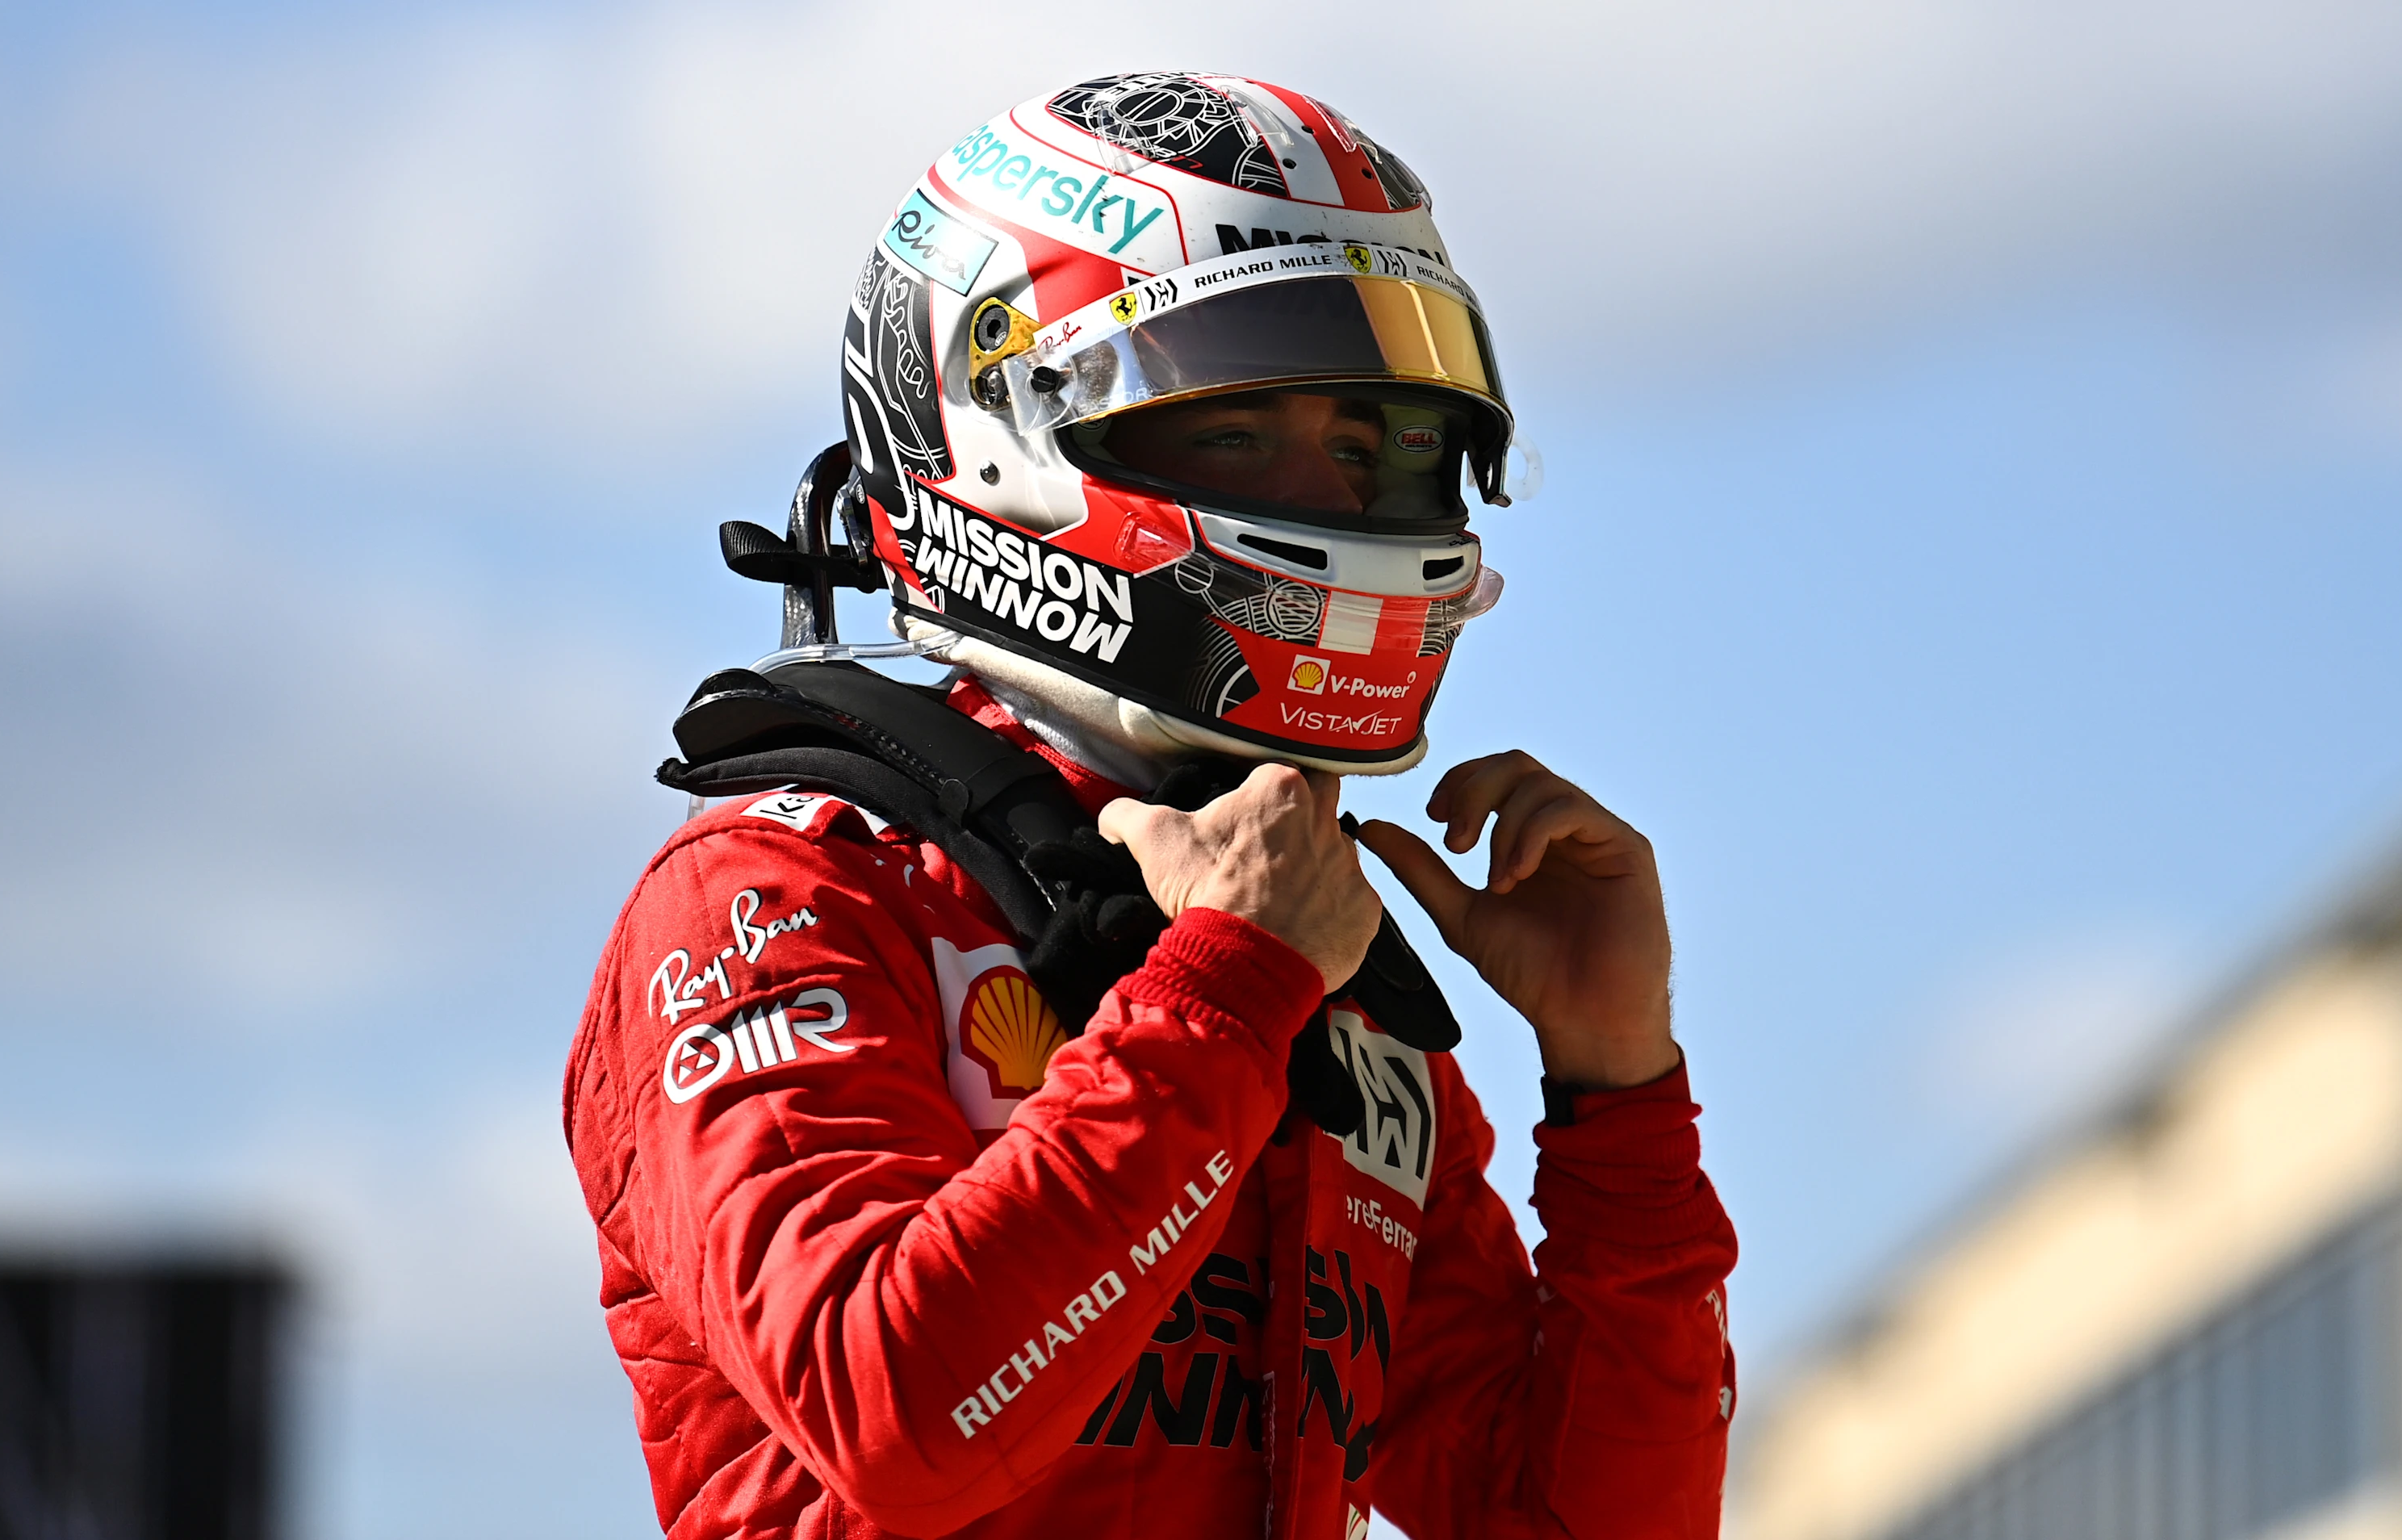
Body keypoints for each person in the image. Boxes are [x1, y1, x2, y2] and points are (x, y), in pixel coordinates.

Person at [563, 72, 1736, 1540]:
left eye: (1381, 447)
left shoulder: (1324, 975)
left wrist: (1618, 1088)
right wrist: (1222, 998)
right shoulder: (781, 894)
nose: (1337, 494)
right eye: (1242, 432)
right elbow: (902, 1419)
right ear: (1000, 431)